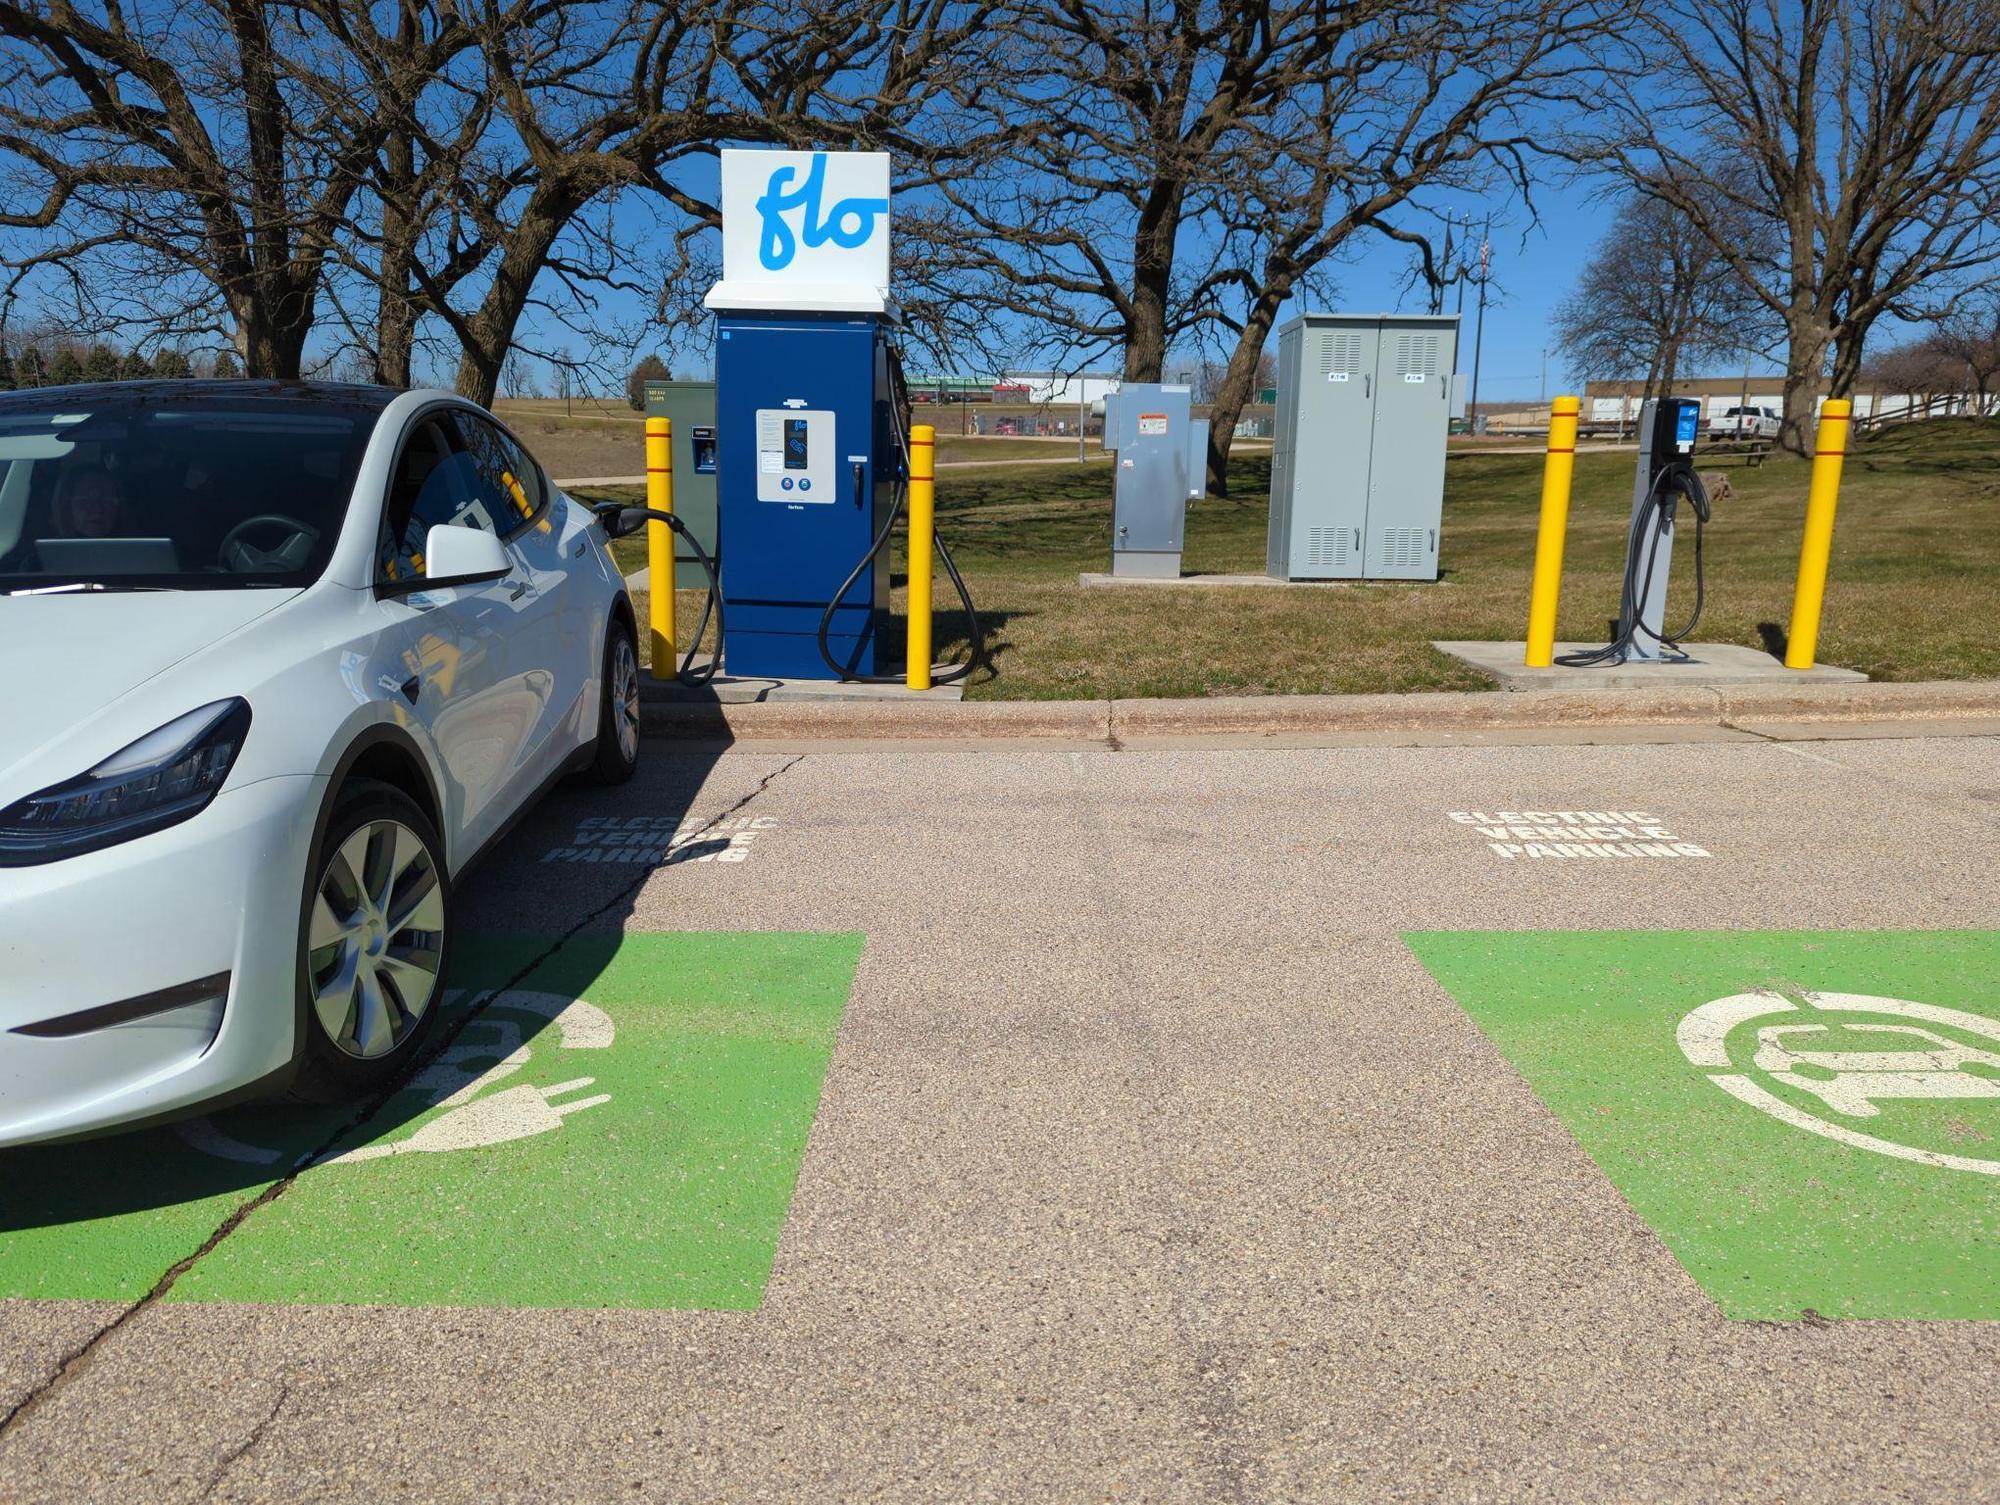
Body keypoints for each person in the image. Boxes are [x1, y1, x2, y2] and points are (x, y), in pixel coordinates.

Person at [51, 464, 131, 538]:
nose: (97, 509)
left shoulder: (135, 551)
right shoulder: (47, 551)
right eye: (85, 500)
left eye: (106, 500)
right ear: (66, 505)